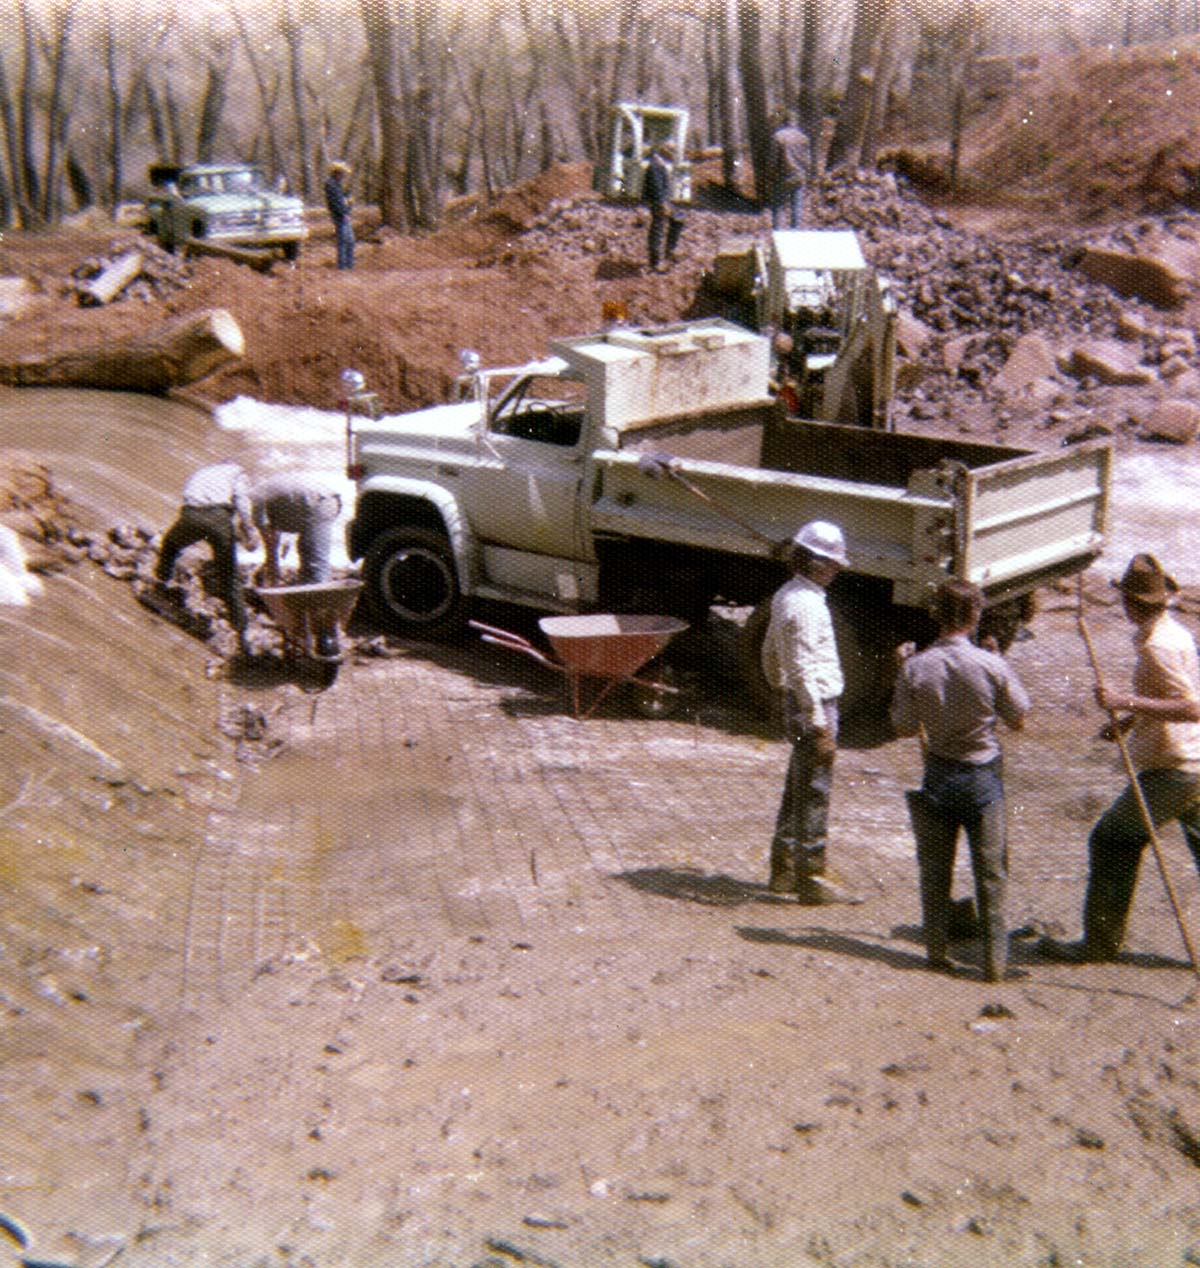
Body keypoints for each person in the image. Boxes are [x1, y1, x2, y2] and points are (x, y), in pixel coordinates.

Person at [1039, 553, 1200, 964]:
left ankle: (1099, 944)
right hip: (1194, 760)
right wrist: (1130, 719)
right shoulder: (1169, 633)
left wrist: (1123, 700)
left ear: (1132, 602)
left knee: (1112, 841)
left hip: (1174, 766)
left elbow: (1190, 706)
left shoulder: (1158, 647)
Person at [890, 580, 1031, 981]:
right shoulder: (991, 665)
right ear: (975, 616)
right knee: (991, 872)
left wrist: (900, 671)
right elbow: (1018, 719)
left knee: (935, 870)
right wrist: (999, 661)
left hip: (938, 772)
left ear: (935, 614)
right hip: (982, 776)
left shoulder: (916, 667)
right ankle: (995, 962)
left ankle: (936, 951)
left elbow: (902, 726)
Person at [761, 519, 860, 905]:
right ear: (818, 563)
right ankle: (812, 878)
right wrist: (817, 722)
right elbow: (800, 666)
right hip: (815, 706)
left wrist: (777, 688)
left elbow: (771, 652)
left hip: (800, 703)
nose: (837, 570)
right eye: (834, 564)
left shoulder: (788, 595)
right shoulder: (804, 605)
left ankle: (783, 870)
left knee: (798, 786)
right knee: (815, 792)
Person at [156, 461, 259, 656]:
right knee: (229, 578)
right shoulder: (238, 473)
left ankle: (162, 580)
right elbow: (242, 503)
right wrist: (249, 529)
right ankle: (242, 630)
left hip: (190, 515)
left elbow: (189, 496)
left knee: (169, 546)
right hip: (219, 518)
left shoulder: (202, 472)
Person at [251, 472, 342, 587]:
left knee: (315, 559)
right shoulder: (262, 493)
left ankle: (320, 596)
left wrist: (273, 574)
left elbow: (270, 543)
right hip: (315, 501)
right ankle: (306, 591)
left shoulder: (254, 500)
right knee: (305, 549)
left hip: (319, 503)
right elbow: (274, 535)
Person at [643, 141, 684, 273]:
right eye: (671, 152)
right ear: (664, 151)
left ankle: (669, 251)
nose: (673, 155)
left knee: (678, 219)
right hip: (658, 202)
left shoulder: (659, 164)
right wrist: (662, 203)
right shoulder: (655, 165)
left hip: (663, 201)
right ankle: (655, 262)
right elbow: (656, 187)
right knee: (658, 229)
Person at [767, 112, 811, 230]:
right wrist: (806, 174)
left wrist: (770, 175)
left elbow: (773, 160)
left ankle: (778, 236)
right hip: (799, 176)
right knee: (796, 207)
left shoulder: (778, 136)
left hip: (783, 175)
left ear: (784, 121)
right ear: (795, 122)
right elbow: (808, 161)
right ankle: (794, 236)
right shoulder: (803, 138)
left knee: (778, 208)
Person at [324, 161, 355, 270]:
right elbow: (335, 202)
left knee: (349, 240)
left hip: (343, 214)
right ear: (337, 172)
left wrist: (348, 198)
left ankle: (349, 264)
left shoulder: (337, 184)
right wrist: (344, 212)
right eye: (342, 173)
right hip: (340, 215)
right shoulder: (331, 184)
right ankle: (343, 266)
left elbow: (342, 197)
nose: (343, 175)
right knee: (344, 240)